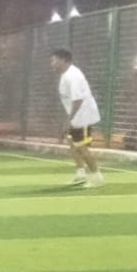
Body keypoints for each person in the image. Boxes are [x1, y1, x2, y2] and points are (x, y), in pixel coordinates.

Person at [53, 48, 104, 187]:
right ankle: (80, 174)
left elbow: (78, 101)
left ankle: (97, 178)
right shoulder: (66, 74)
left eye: (54, 60)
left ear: (63, 60)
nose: (52, 64)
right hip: (76, 116)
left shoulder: (73, 76)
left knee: (81, 147)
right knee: (71, 142)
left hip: (83, 116)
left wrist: (68, 121)